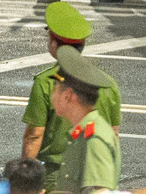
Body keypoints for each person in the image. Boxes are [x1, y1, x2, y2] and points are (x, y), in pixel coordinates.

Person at [21, 2, 121, 192]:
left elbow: (34, 135)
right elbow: (114, 134)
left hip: (58, 179)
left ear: (54, 43)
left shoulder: (47, 82)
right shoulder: (108, 83)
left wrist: (27, 181)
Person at [50, 45, 120, 193]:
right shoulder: (80, 134)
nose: (52, 96)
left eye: (55, 90)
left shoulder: (94, 138)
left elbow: (101, 192)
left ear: (67, 96)